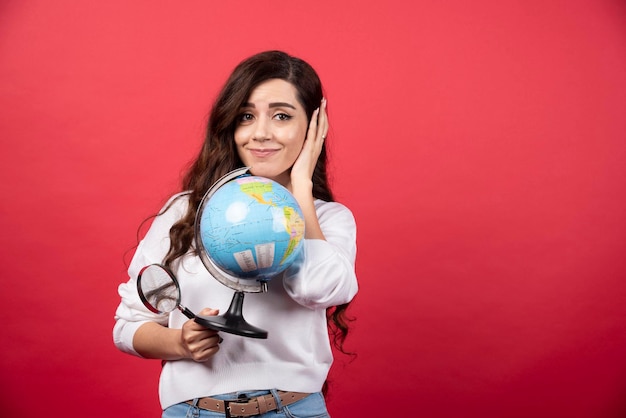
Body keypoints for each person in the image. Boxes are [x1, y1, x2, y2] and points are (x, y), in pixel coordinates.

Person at [113, 50, 358, 418]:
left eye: (281, 116)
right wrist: (180, 342)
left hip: (294, 409)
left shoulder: (329, 219)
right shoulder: (185, 212)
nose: (261, 133)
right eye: (246, 116)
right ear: (230, 125)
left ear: (312, 128)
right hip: (193, 411)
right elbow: (128, 326)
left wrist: (301, 188)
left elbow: (316, 289)